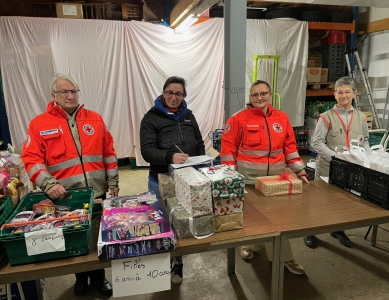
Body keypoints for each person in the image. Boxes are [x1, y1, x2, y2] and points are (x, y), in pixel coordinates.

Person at [22, 73, 119, 297]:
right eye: (64, 91)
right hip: (66, 197)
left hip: (97, 193)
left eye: (74, 91)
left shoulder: (95, 119)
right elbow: (32, 159)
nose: (70, 95)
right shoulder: (39, 124)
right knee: (74, 239)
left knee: (96, 238)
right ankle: (80, 278)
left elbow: (109, 152)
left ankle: (99, 277)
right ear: (53, 96)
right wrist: (47, 183)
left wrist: (113, 181)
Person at [220, 80, 309, 275]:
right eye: (255, 95)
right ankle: (251, 245)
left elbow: (290, 148)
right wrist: (231, 178)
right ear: (250, 98)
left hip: (275, 181)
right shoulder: (237, 119)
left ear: (270, 94)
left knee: (279, 220)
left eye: (263, 93)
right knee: (251, 218)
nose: (259, 98)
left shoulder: (282, 118)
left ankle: (285, 258)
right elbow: (228, 150)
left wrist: (300, 170)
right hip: (248, 180)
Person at [140, 76, 205, 284]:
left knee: (180, 222)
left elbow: (199, 143)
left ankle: (177, 263)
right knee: (160, 224)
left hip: (186, 179)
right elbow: (146, 151)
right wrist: (169, 157)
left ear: (184, 96)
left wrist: (203, 164)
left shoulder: (189, 116)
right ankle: (158, 268)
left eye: (178, 94)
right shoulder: (151, 118)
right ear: (163, 93)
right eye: (170, 93)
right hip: (160, 180)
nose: (173, 97)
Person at [304, 76, 370, 249]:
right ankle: (310, 231)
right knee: (319, 201)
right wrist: (336, 158)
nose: (343, 95)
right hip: (328, 166)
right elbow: (317, 143)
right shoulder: (326, 117)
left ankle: (338, 230)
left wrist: (367, 158)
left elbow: (364, 141)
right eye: (340, 92)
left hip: (351, 169)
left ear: (354, 94)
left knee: (342, 202)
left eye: (347, 92)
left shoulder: (361, 117)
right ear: (334, 95)